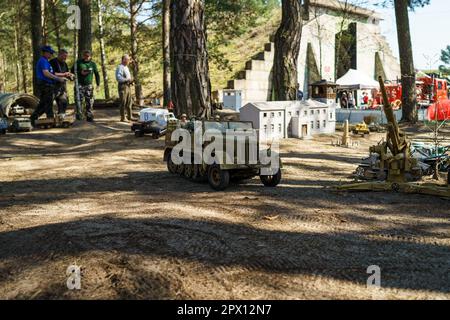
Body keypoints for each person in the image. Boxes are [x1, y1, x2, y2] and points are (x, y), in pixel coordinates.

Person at [30, 46, 66, 127]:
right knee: (48, 103)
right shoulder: (42, 61)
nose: (51, 54)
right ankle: (50, 120)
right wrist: (58, 79)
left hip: (49, 84)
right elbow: (46, 73)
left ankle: (32, 120)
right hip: (45, 84)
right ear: (45, 52)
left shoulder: (47, 61)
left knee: (43, 104)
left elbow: (52, 73)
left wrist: (63, 76)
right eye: (50, 53)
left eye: (52, 53)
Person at [72, 50, 100, 122]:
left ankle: (89, 116)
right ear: (83, 56)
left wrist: (98, 84)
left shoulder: (93, 64)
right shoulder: (78, 63)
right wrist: (80, 72)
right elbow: (71, 72)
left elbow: (97, 74)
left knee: (89, 101)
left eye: (88, 56)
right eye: (85, 56)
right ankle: (79, 116)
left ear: (90, 56)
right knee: (79, 101)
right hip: (79, 85)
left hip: (89, 85)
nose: (87, 57)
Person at [50, 49, 73, 119]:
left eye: (66, 57)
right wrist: (63, 74)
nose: (65, 58)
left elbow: (66, 73)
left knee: (63, 103)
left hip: (62, 87)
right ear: (59, 55)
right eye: (64, 56)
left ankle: (61, 117)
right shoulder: (52, 62)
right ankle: (49, 118)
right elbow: (51, 73)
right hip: (53, 86)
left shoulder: (65, 63)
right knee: (49, 103)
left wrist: (70, 76)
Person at [115, 54, 134, 122]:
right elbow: (118, 78)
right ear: (124, 60)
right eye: (128, 59)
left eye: (129, 59)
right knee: (123, 102)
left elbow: (127, 77)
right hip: (122, 86)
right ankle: (123, 117)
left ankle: (130, 116)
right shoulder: (120, 67)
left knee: (129, 101)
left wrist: (130, 81)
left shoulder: (126, 67)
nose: (129, 61)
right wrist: (127, 80)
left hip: (127, 86)